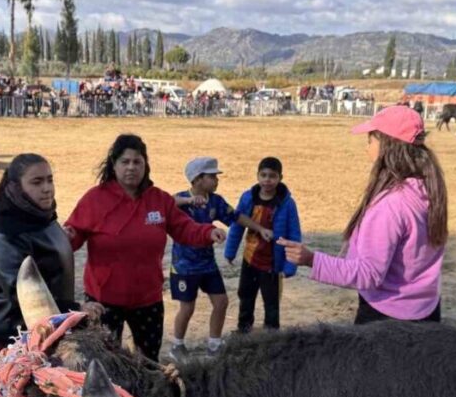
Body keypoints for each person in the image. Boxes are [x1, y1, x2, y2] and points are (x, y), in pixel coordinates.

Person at [65, 134, 225, 361]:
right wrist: (64, 238)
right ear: (114, 165)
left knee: (149, 361)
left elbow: (184, 227)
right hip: (103, 300)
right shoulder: (95, 199)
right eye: (125, 162)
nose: (131, 167)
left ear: (145, 165)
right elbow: (73, 234)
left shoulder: (159, 199)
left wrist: (208, 231)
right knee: (105, 364)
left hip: (147, 298)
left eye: (137, 162)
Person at [279, 106, 446, 324]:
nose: (367, 147)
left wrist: (311, 260)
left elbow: (369, 274)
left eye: (370, 140)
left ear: (387, 145)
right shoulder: (428, 189)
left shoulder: (391, 204)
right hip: (426, 311)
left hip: (387, 319)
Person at [0, 153, 103, 358]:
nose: (47, 188)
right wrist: (76, 309)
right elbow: (23, 296)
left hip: (49, 329)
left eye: (49, 180)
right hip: (15, 338)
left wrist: (60, 240)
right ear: (16, 188)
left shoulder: (41, 217)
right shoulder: (6, 237)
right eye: (37, 182)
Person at [169, 157, 273, 358]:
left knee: (221, 302)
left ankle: (214, 344)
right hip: (184, 266)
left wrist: (260, 229)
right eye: (212, 176)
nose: (217, 180)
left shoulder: (216, 201)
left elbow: (236, 217)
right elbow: (166, 203)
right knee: (187, 307)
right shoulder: (181, 199)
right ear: (198, 179)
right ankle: (177, 345)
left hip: (208, 264)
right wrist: (189, 200)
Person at [224, 157, 302, 333]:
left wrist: (290, 266)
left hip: (272, 263)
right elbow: (237, 224)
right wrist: (230, 251)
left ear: (280, 177)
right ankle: (243, 329)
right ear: (257, 176)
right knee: (245, 295)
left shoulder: (287, 204)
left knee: (271, 300)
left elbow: (294, 234)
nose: (267, 180)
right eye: (264, 175)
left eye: (272, 176)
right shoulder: (248, 198)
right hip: (250, 258)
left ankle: (271, 333)